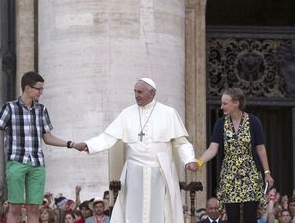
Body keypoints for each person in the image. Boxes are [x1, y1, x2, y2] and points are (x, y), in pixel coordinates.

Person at [76, 78, 197, 223]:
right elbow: (108, 137)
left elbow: (181, 142)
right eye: (135, 91)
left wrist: (189, 159)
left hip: (160, 172)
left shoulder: (169, 113)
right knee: (132, 213)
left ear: (152, 93)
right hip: (134, 172)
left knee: (160, 213)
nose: (136, 95)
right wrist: (89, 145)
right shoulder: (127, 113)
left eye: (140, 92)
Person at [0, 71, 83, 223]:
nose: (41, 92)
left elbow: (47, 137)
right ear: (28, 88)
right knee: (15, 208)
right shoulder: (10, 108)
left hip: (37, 164)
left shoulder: (42, 110)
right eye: (39, 88)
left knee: (34, 208)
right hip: (16, 162)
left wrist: (72, 144)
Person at [197, 88, 274, 223]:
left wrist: (267, 172)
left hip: (250, 174)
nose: (221, 107)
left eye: (225, 103)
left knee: (250, 216)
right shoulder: (221, 123)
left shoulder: (253, 122)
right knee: (232, 217)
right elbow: (212, 148)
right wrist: (198, 162)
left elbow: (261, 149)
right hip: (230, 175)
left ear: (236, 103)